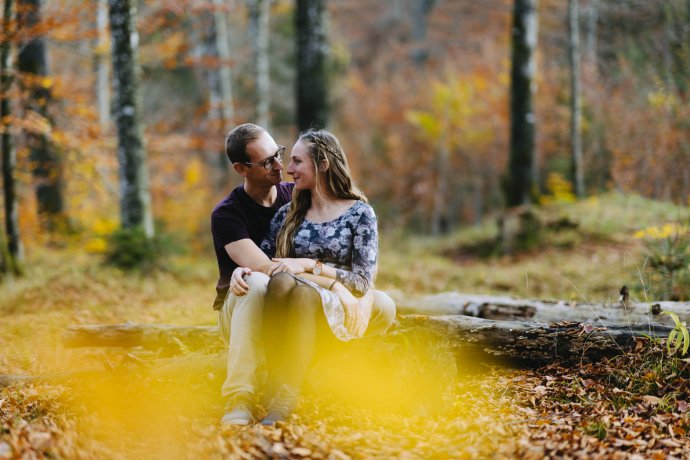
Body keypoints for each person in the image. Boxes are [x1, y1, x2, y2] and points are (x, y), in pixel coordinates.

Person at [211, 124, 395, 426]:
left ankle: (292, 384)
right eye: (269, 161)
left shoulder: (337, 207)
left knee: (381, 303)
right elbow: (271, 266)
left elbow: (362, 278)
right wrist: (241, 271)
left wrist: (314, 268)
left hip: (309, 301)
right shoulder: (253, 213)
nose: (283, 167)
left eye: (285, 157)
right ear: (241, 169)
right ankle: (240, 397)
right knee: (265, 282)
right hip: (253, 304)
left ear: (323, 164)